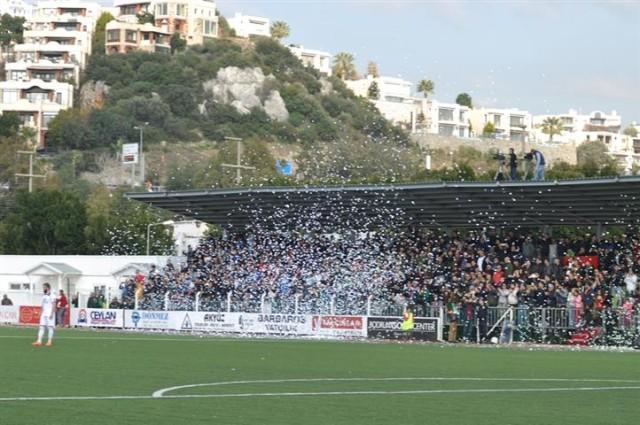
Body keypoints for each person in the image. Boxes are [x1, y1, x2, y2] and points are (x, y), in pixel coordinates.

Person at [32, 282, 56, 347]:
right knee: (41, 327)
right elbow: (42, 305)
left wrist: (52, 313)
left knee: (50, 327)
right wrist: (40, 312)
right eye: (43, 287)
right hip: (44, 313)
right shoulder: (44, 295)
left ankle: (49, 341)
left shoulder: (52, 295)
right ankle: (39, 341)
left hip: (49, 313)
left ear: (48, 288)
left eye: (44, 287)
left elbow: (54, 305)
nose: (43, 289)